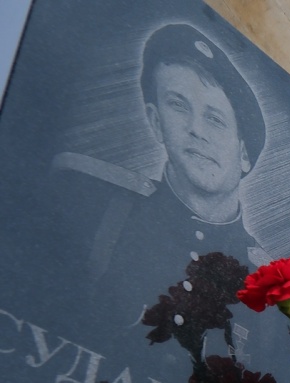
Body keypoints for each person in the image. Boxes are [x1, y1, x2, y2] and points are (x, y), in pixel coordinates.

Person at [48, 22, 268, 328]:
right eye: (178, 105)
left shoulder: (270, 286)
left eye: (215, 119)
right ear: (155, 121)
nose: (195, 129)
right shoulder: (93, 203)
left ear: (244, 154)